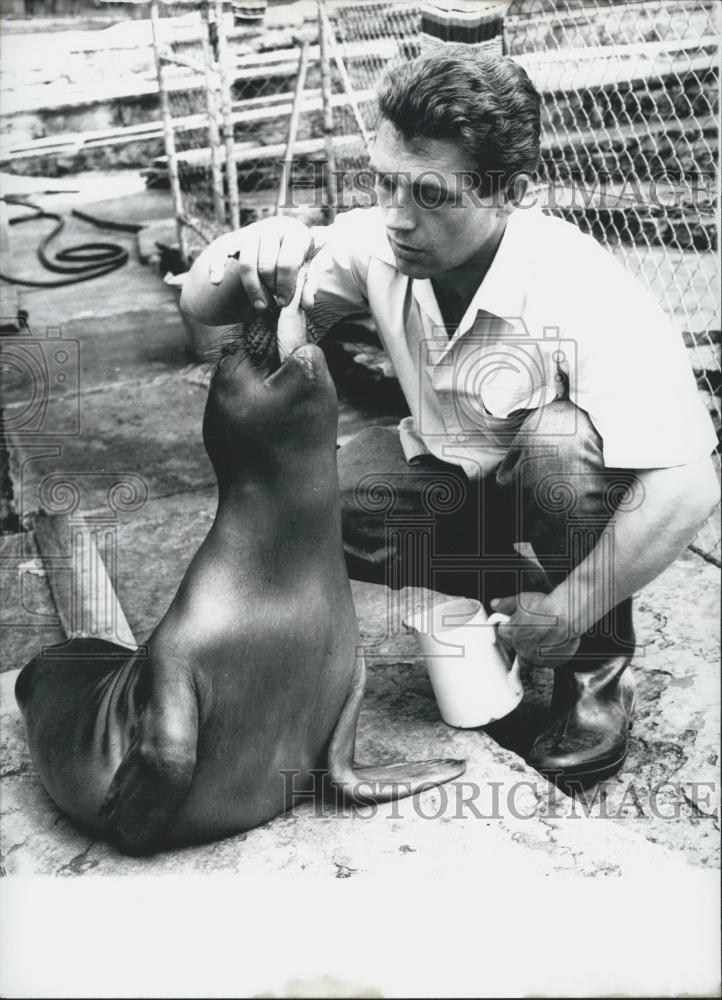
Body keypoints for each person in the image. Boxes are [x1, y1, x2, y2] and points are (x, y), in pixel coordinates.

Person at [181, 47, 719, 789]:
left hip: (555, 488)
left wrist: (570, 610)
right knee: (316, 512)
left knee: (558, 443)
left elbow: (688, 489)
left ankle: (595, 676)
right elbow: (202, 310)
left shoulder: (582, 285)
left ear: (511, 193)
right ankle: (507, 592)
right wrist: (243, 254)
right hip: (460, 489)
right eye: (383, 183)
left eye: (431, 195)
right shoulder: (377, 239)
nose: (397, 218)